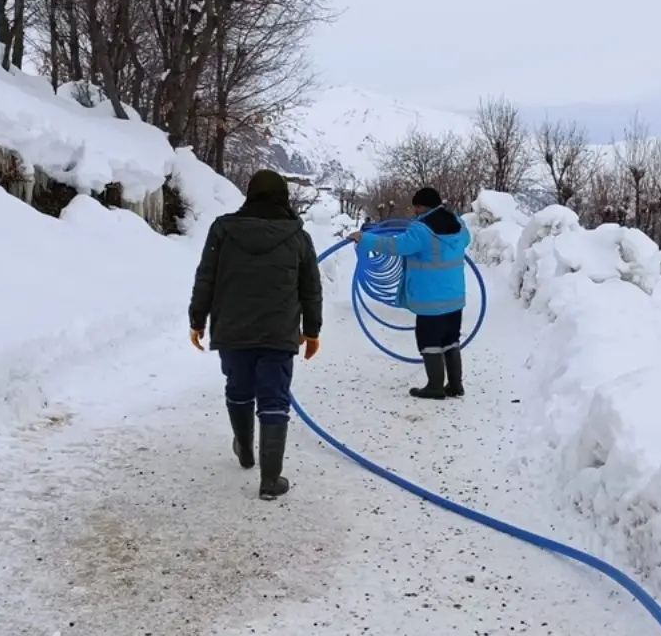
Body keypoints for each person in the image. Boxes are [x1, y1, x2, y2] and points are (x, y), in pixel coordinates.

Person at [189, 168, 322, 500]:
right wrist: (312, 331)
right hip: (279, 333)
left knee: (238, 388)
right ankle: (270, 480)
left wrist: (197, 321)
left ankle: (245, 451)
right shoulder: (298, 236)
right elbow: (311, 289)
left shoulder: (222, 230)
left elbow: (206, 277)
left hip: (233, 329)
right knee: (274, 398)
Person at [353, 187, 472, 400]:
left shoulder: (422, 229)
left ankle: (435, 387)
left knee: (429, 341)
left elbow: (396, 246)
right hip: (455, 297)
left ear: (422, 206)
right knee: (451, 339)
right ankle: (455, 385)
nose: (414, 211)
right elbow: (466, 241)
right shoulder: (458, 223)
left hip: (430, 299)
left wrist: (366, 239)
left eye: (416, 206)